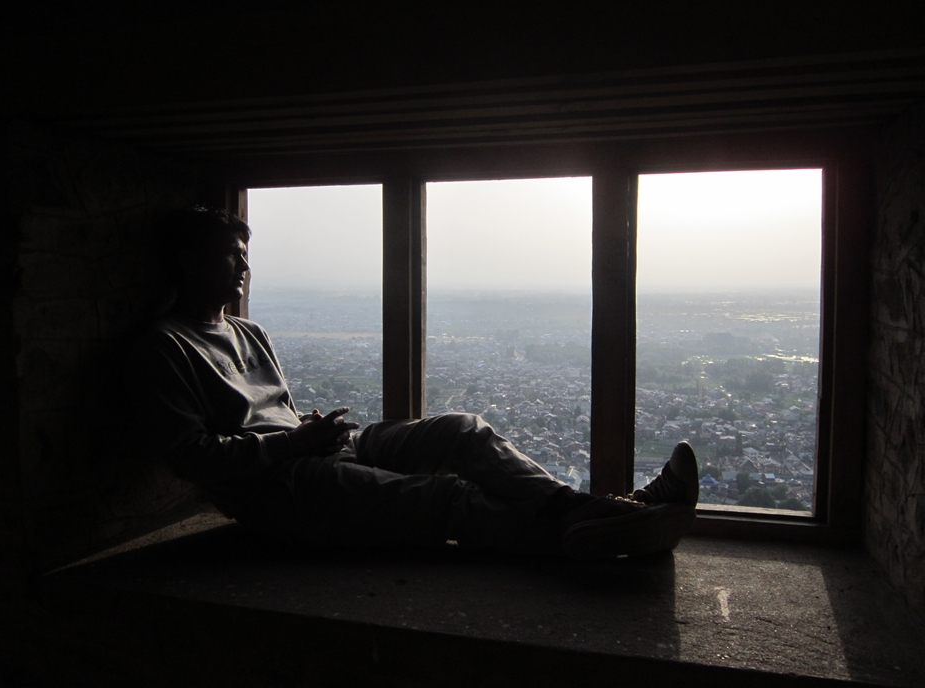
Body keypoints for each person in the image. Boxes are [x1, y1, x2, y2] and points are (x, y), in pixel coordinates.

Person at [128, 207, 698, 559]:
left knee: (464, 433)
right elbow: (193, 457)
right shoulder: (167, 345)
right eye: (231, 256)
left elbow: (276, 416)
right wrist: (293, 444)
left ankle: (593, 516)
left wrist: (309, 432)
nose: (244, 269)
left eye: (245, 257)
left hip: (310, 454)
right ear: (188, 261)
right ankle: (614, 521)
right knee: (447, 500)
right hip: (276, 494)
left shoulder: (248, 331)